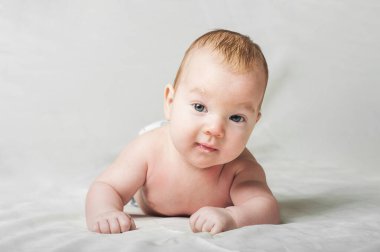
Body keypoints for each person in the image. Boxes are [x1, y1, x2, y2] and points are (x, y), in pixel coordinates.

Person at [85, 29, 280, 235]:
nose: (214, 129)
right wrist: (104, 211)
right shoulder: (149, 150)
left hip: (182, 135)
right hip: (165, 141)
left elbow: (266, 207)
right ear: (170, 102)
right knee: (125, 174)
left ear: (254, 123)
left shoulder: (240, 168)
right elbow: (107, 186)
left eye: (236, 118)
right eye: (199, 107)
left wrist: (233, 216)